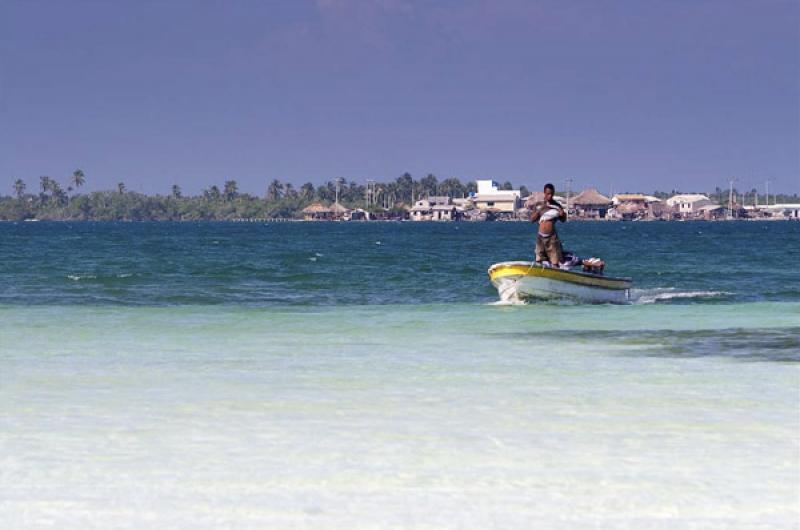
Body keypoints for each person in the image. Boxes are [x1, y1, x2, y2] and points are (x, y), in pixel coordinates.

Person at [529, 183, 566, 265]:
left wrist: (562, 214)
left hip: (552, 238)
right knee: (539, 259)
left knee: (555, 261)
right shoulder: (539, 205)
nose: (550, 196)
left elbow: (563, 220)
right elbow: (532, 219)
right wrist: (540, 210)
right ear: (544, 193)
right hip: (540, 237)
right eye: (548, 194)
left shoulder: (557, 206)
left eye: (552, 194)